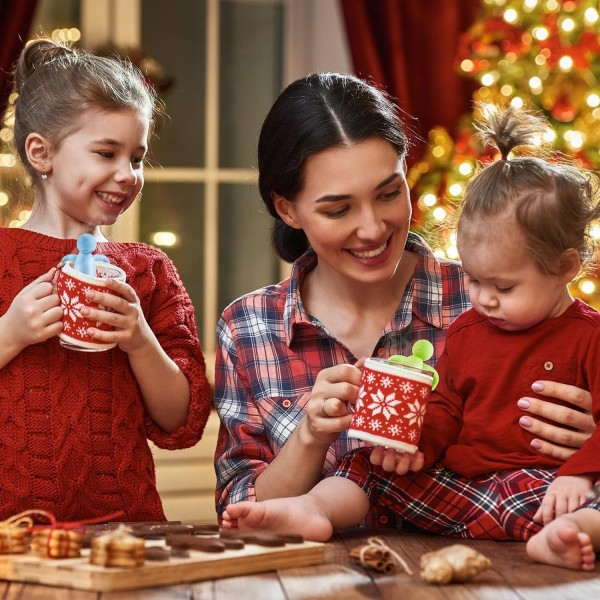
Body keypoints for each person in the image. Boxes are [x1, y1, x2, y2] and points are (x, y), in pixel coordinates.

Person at [221, 103, 600, 571]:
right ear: (287, 209)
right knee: (366, 465)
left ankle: (566, 535)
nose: (372, 228)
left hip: (545, 497)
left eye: (388, 194)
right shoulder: (251, 325)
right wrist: (403, 445)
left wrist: (587, 456)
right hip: (452, 497)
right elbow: (234, 504)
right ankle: (313, 509)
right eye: (339, 208)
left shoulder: (485, 289)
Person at [0, 38, 212, 522]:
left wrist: (139, 340)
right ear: (41, 152)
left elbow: (181, 421)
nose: (127, 174)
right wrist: (10, 332)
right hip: (9, 535)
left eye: (136, 157)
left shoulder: (149, 271)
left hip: (123, 527)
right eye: (106, 153)